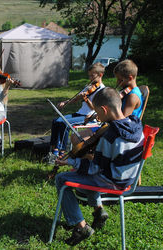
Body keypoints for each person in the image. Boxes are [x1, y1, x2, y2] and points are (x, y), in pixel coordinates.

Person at [55, 87, 144, 246]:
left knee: (61, 179)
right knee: (83, 173)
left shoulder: (110, 136)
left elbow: (94, 168)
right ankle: (98, 211)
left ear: (104, 109)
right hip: (129, 178)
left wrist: (69, 161)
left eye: (98, 113)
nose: (98, 117)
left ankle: (80, 226)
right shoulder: (137, 125)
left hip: (112, 181)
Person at [71, 59, 144, 146]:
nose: (118, 83)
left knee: (79, 141)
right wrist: (95, 115)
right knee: (74, 136)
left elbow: (122, 121)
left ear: (130, 78)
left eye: (120, 80)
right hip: (112, 126)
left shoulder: (132, 96)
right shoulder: (126, 92)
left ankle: (89, 158)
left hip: (119, 132)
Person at [46, 63, 106, 163]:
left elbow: (95, 108)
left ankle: (62, 152)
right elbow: (76, 98)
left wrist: (86, 99)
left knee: (64, 124)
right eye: (89, 75)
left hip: (89, 116)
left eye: (92, 75)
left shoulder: (102, 90)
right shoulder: (89, 86)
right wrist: (65, 102)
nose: (90, 78)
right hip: (80, 113)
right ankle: (54, 150)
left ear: (100, 75)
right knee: (56, 121)